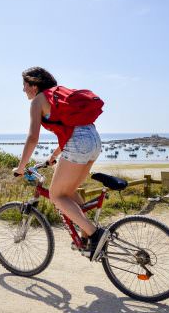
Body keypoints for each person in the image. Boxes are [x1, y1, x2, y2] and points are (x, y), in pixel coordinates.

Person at [13, 67, 109, 261]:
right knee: (70, 192)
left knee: (56, 195)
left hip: (78, 143)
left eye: (25, 85)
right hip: (94, 140)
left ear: (34, 85)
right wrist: (53, 156)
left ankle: (95, 233)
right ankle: (87, 236)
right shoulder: (59, 94)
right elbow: (70, 128)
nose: (23, 90)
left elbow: (32, 138)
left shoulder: (39, 101)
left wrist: (21, 168)